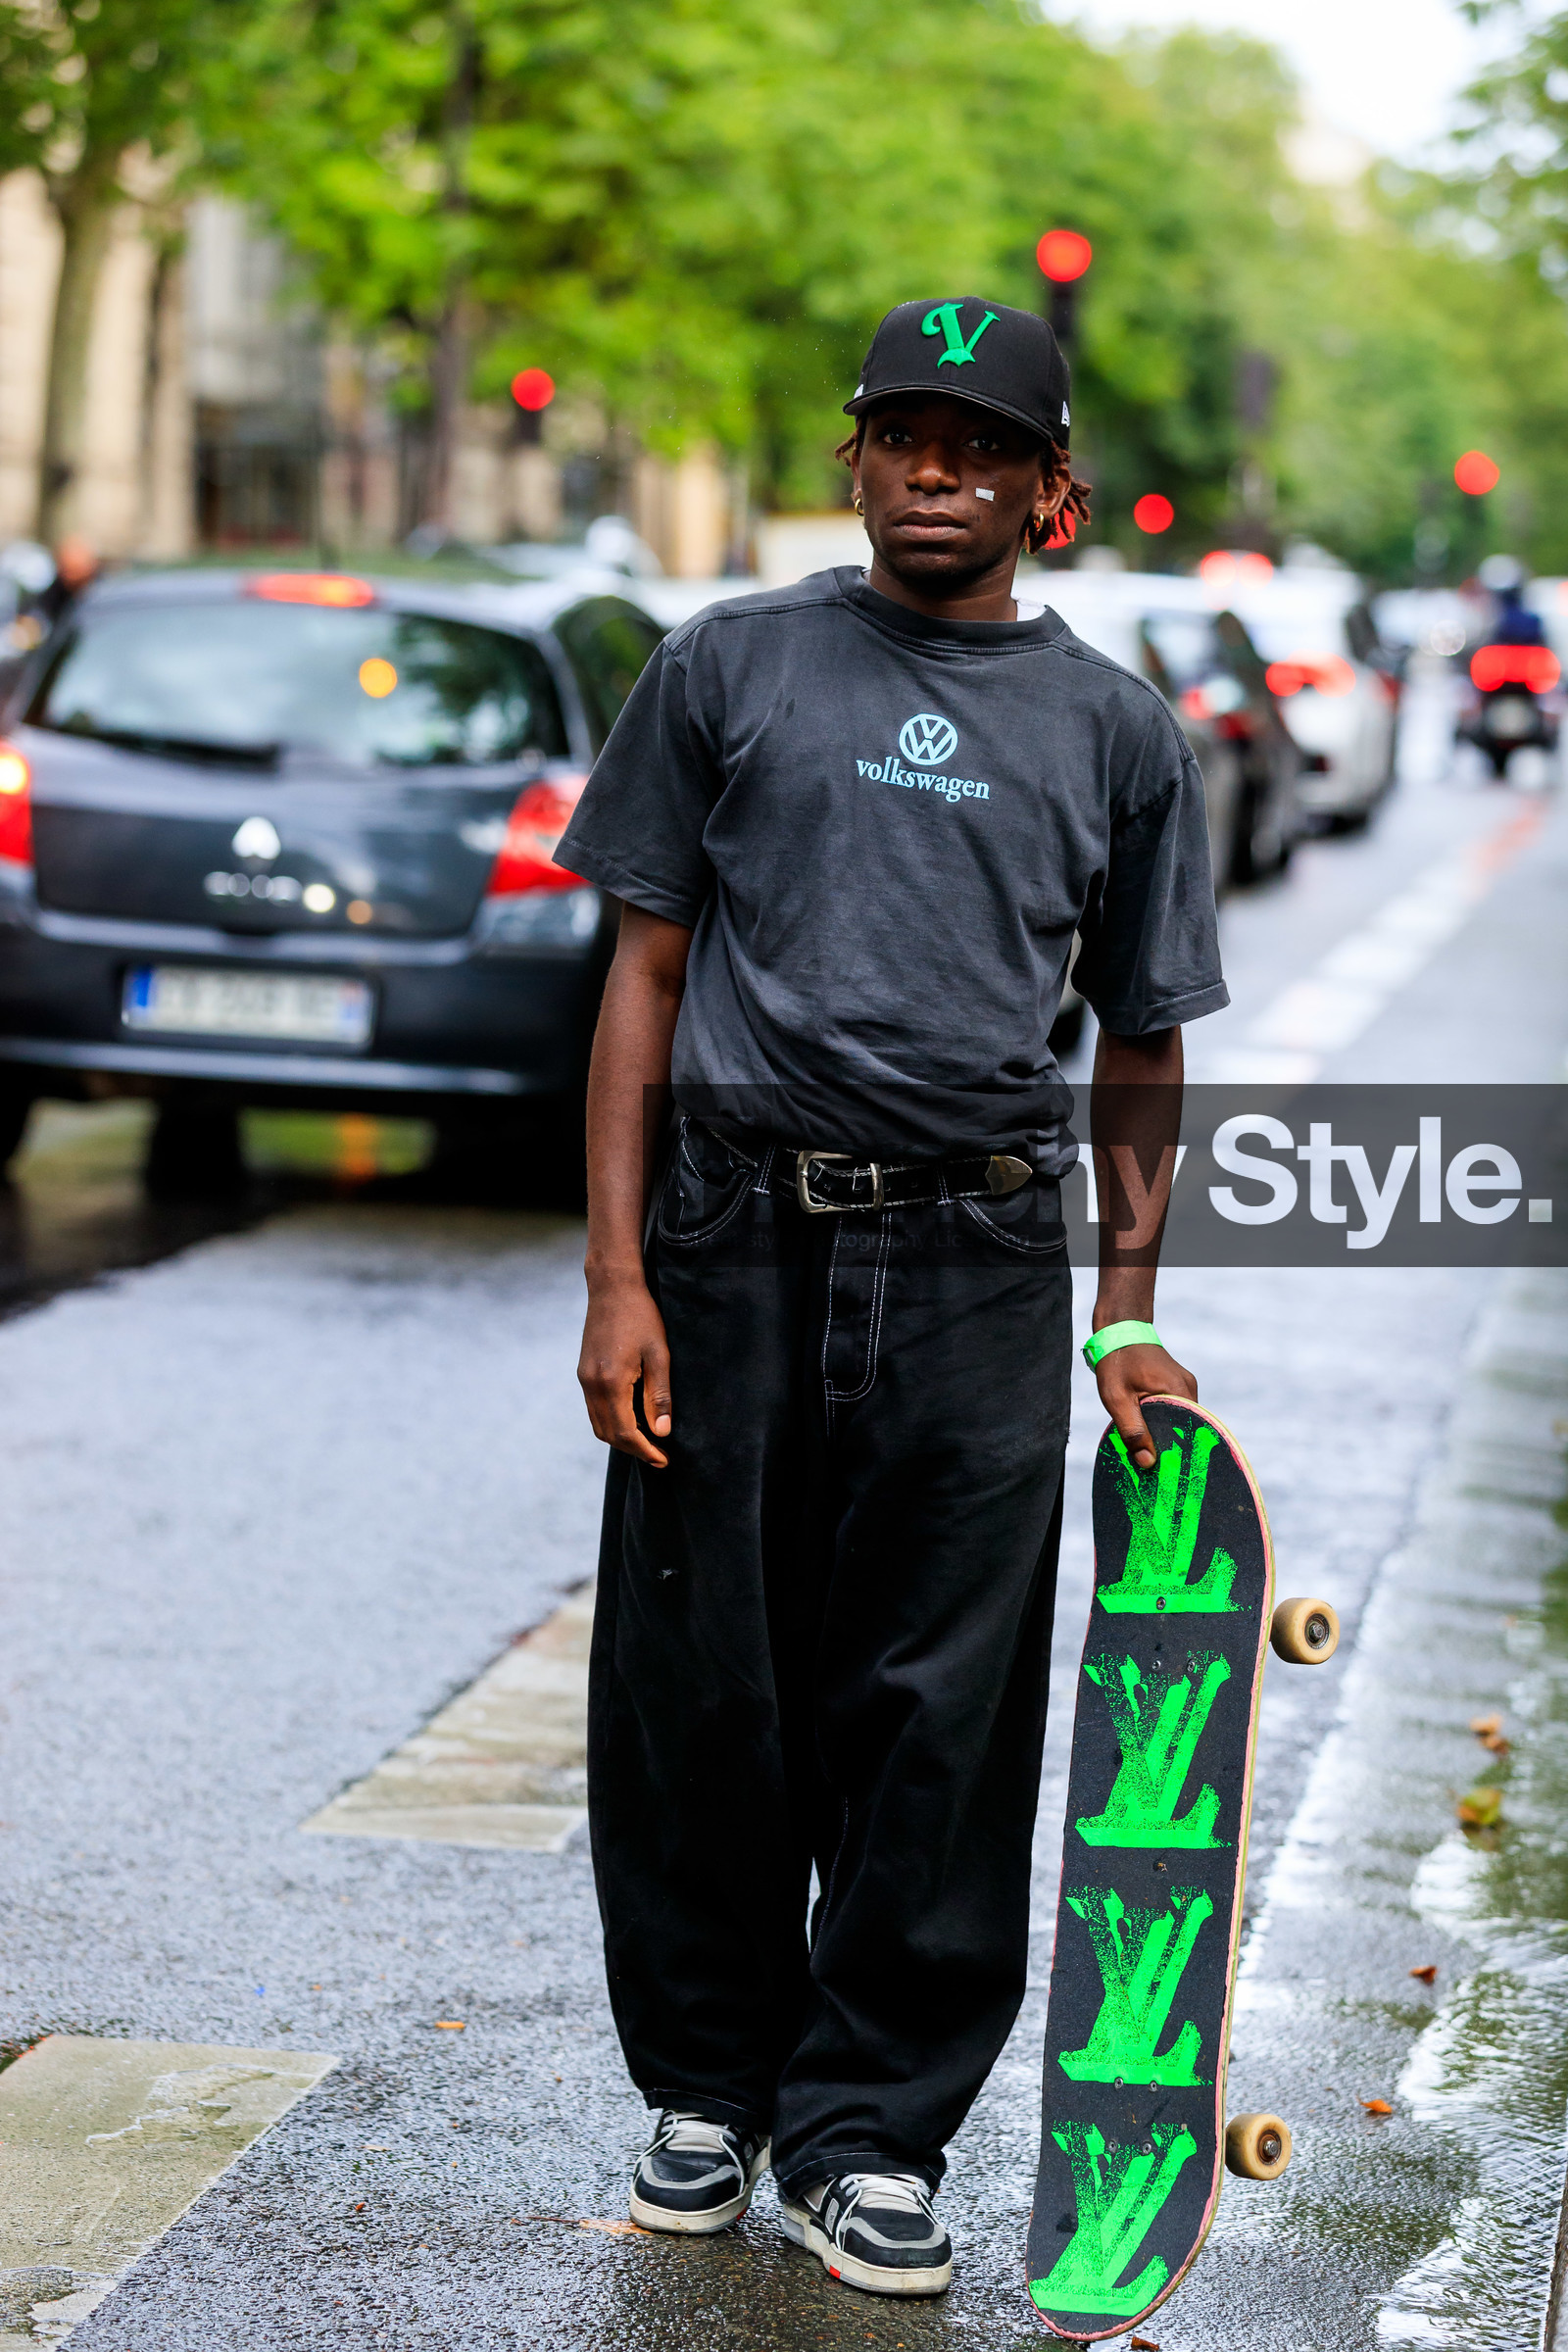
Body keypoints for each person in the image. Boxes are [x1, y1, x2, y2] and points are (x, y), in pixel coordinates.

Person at [556, 296, 1228, 2300]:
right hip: (731, 1239)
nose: (937, 473)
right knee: (704, 1684)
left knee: (939, 1710)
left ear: (1050, 487)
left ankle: (867, 2133)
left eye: (979, 446)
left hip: (976, 1260)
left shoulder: (1111, 732)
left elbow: (1141, 1044)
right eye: (902, 438)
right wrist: (614, 1276)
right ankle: (703, 2089)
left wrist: (1120, 1311)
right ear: (850, 459)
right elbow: (644, 985)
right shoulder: (727, 665)